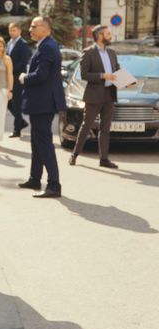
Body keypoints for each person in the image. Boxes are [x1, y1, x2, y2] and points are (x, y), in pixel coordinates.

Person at [18, 16, 65, 198]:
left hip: (43, 103)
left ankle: (54, 185)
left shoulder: (47, 47)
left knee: (44, 143)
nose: (30, 29)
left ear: (45, 28)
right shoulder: (45, 45)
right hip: (41, 102)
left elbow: (41, 75)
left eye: (34, 26)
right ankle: (34, 178)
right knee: (36, 142)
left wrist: (24, 78)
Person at [70, 25, 122, 169]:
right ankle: (74, 155)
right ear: (100, 36)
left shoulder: (112, 53)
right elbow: (84, 75)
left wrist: (126, 81)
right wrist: (102, 76)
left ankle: (104, 159)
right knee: (86, 126)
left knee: (105, 128)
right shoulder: (88, 53)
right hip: (94, 95)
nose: (110, 36)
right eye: (108, 33)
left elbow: (117, 71)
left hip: (109, 94)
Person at [7, 22, 32, 137]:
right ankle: (21, 121)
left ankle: (17, 129)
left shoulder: (23, 44)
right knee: (8, 102)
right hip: (8, 78)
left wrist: (9, 69)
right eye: (10, 30)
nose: (12, 32)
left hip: (17, 78)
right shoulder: (8, 43)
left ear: (19, 31)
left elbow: (23, 63)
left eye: (14, 30)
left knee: (16, 103)